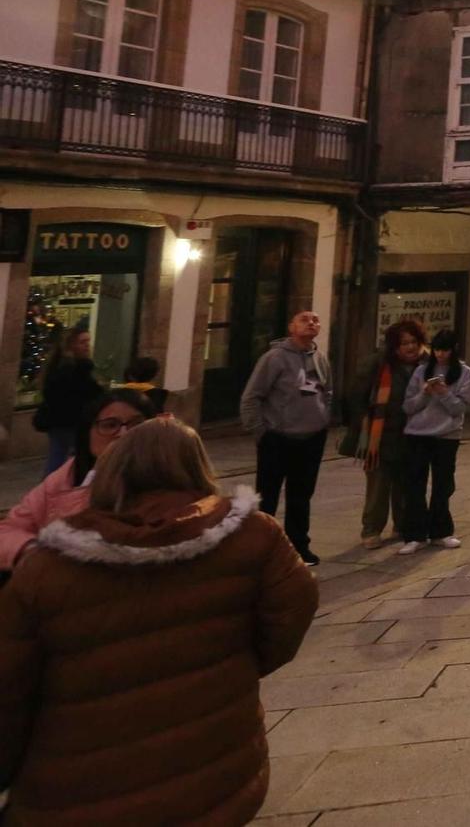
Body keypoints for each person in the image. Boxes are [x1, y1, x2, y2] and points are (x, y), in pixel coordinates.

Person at [0, 416, 317, 824]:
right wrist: (233, 665)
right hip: (216, 776)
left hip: (76, 793)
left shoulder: (47, 569)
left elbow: (8, 689)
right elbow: (291, 616)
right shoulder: (253, 537)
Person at [0, 388, 154, 577]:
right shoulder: (66, 478)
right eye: (109, 425)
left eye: (136, 424)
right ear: (87, 433)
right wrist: (35, 552)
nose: (123, 434)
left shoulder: (164, 480)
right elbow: (9, 529)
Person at [239, 309, 333, 566]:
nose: (311, 323)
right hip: (278, 437)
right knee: (267, 496)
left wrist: (324, 419)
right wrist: (261, 432)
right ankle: (262, 550)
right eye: (304, 319)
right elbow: (252, 396)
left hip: (312, 438)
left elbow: (328, 391)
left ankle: (299, 546)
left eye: (316, 319)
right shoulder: (275, 358)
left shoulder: (320, 358)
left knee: (301, 496)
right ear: (291, 326)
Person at [341, 321, 424, 548]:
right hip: (379, 436)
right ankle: (371, 530)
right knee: (378, 486)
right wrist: (363, 428)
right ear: (394, 346)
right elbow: (356, 397)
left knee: (405, 485)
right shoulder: (378, 365)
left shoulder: (425, 364)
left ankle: (403, 525)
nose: (410, 347)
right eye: (404, 343)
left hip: (412, 435)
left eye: (414, 342)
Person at [400, 328, 470, 554]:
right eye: (437, 350)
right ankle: (415, 535)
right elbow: (408, 406)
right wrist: (424, 392)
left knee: (443, 485)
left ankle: (441, 531)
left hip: (446, 435)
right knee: (415, 485)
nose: (441, 355)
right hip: (417, 434)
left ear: (454, 350)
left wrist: (443, 392)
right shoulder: (422, 370)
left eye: (445, 350)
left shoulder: (464, 373)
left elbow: (459, 408)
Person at [30, 325, 99, 477]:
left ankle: (50, 488)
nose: (87, 345)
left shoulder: (58, 366)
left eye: (88, 341)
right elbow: (84, 392)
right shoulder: (75, 368)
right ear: (72, 345)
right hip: (71, 419)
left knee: (57, 455)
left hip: (58, 420)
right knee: (75, 456)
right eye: (83, 342)